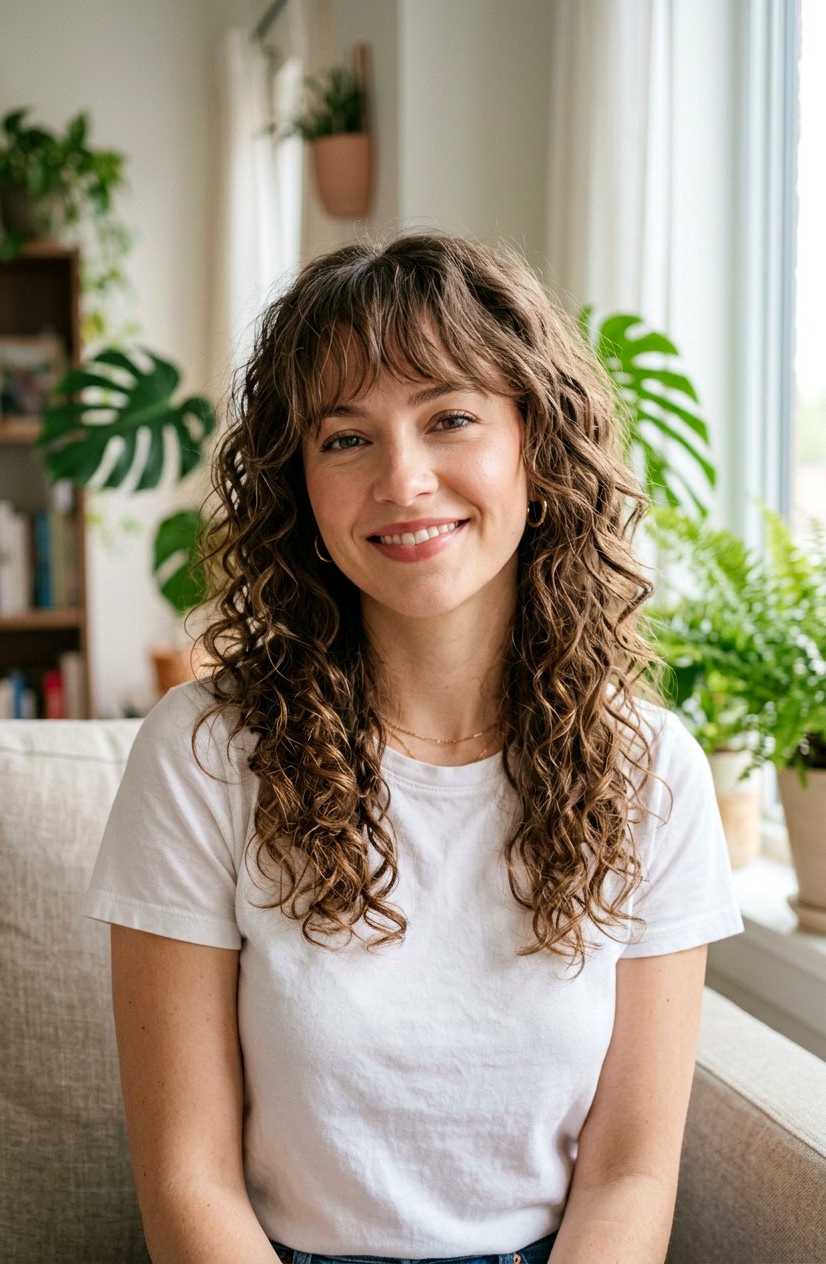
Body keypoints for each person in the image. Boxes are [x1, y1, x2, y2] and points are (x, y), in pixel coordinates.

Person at [83, 231, 744, 1264]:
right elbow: (187, 1177)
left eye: (450, 419)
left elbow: (629, 1174)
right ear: (300, 486)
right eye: (346, 438)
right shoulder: (204, 752)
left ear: (537, 449)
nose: (403, 479)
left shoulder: (651, 768)